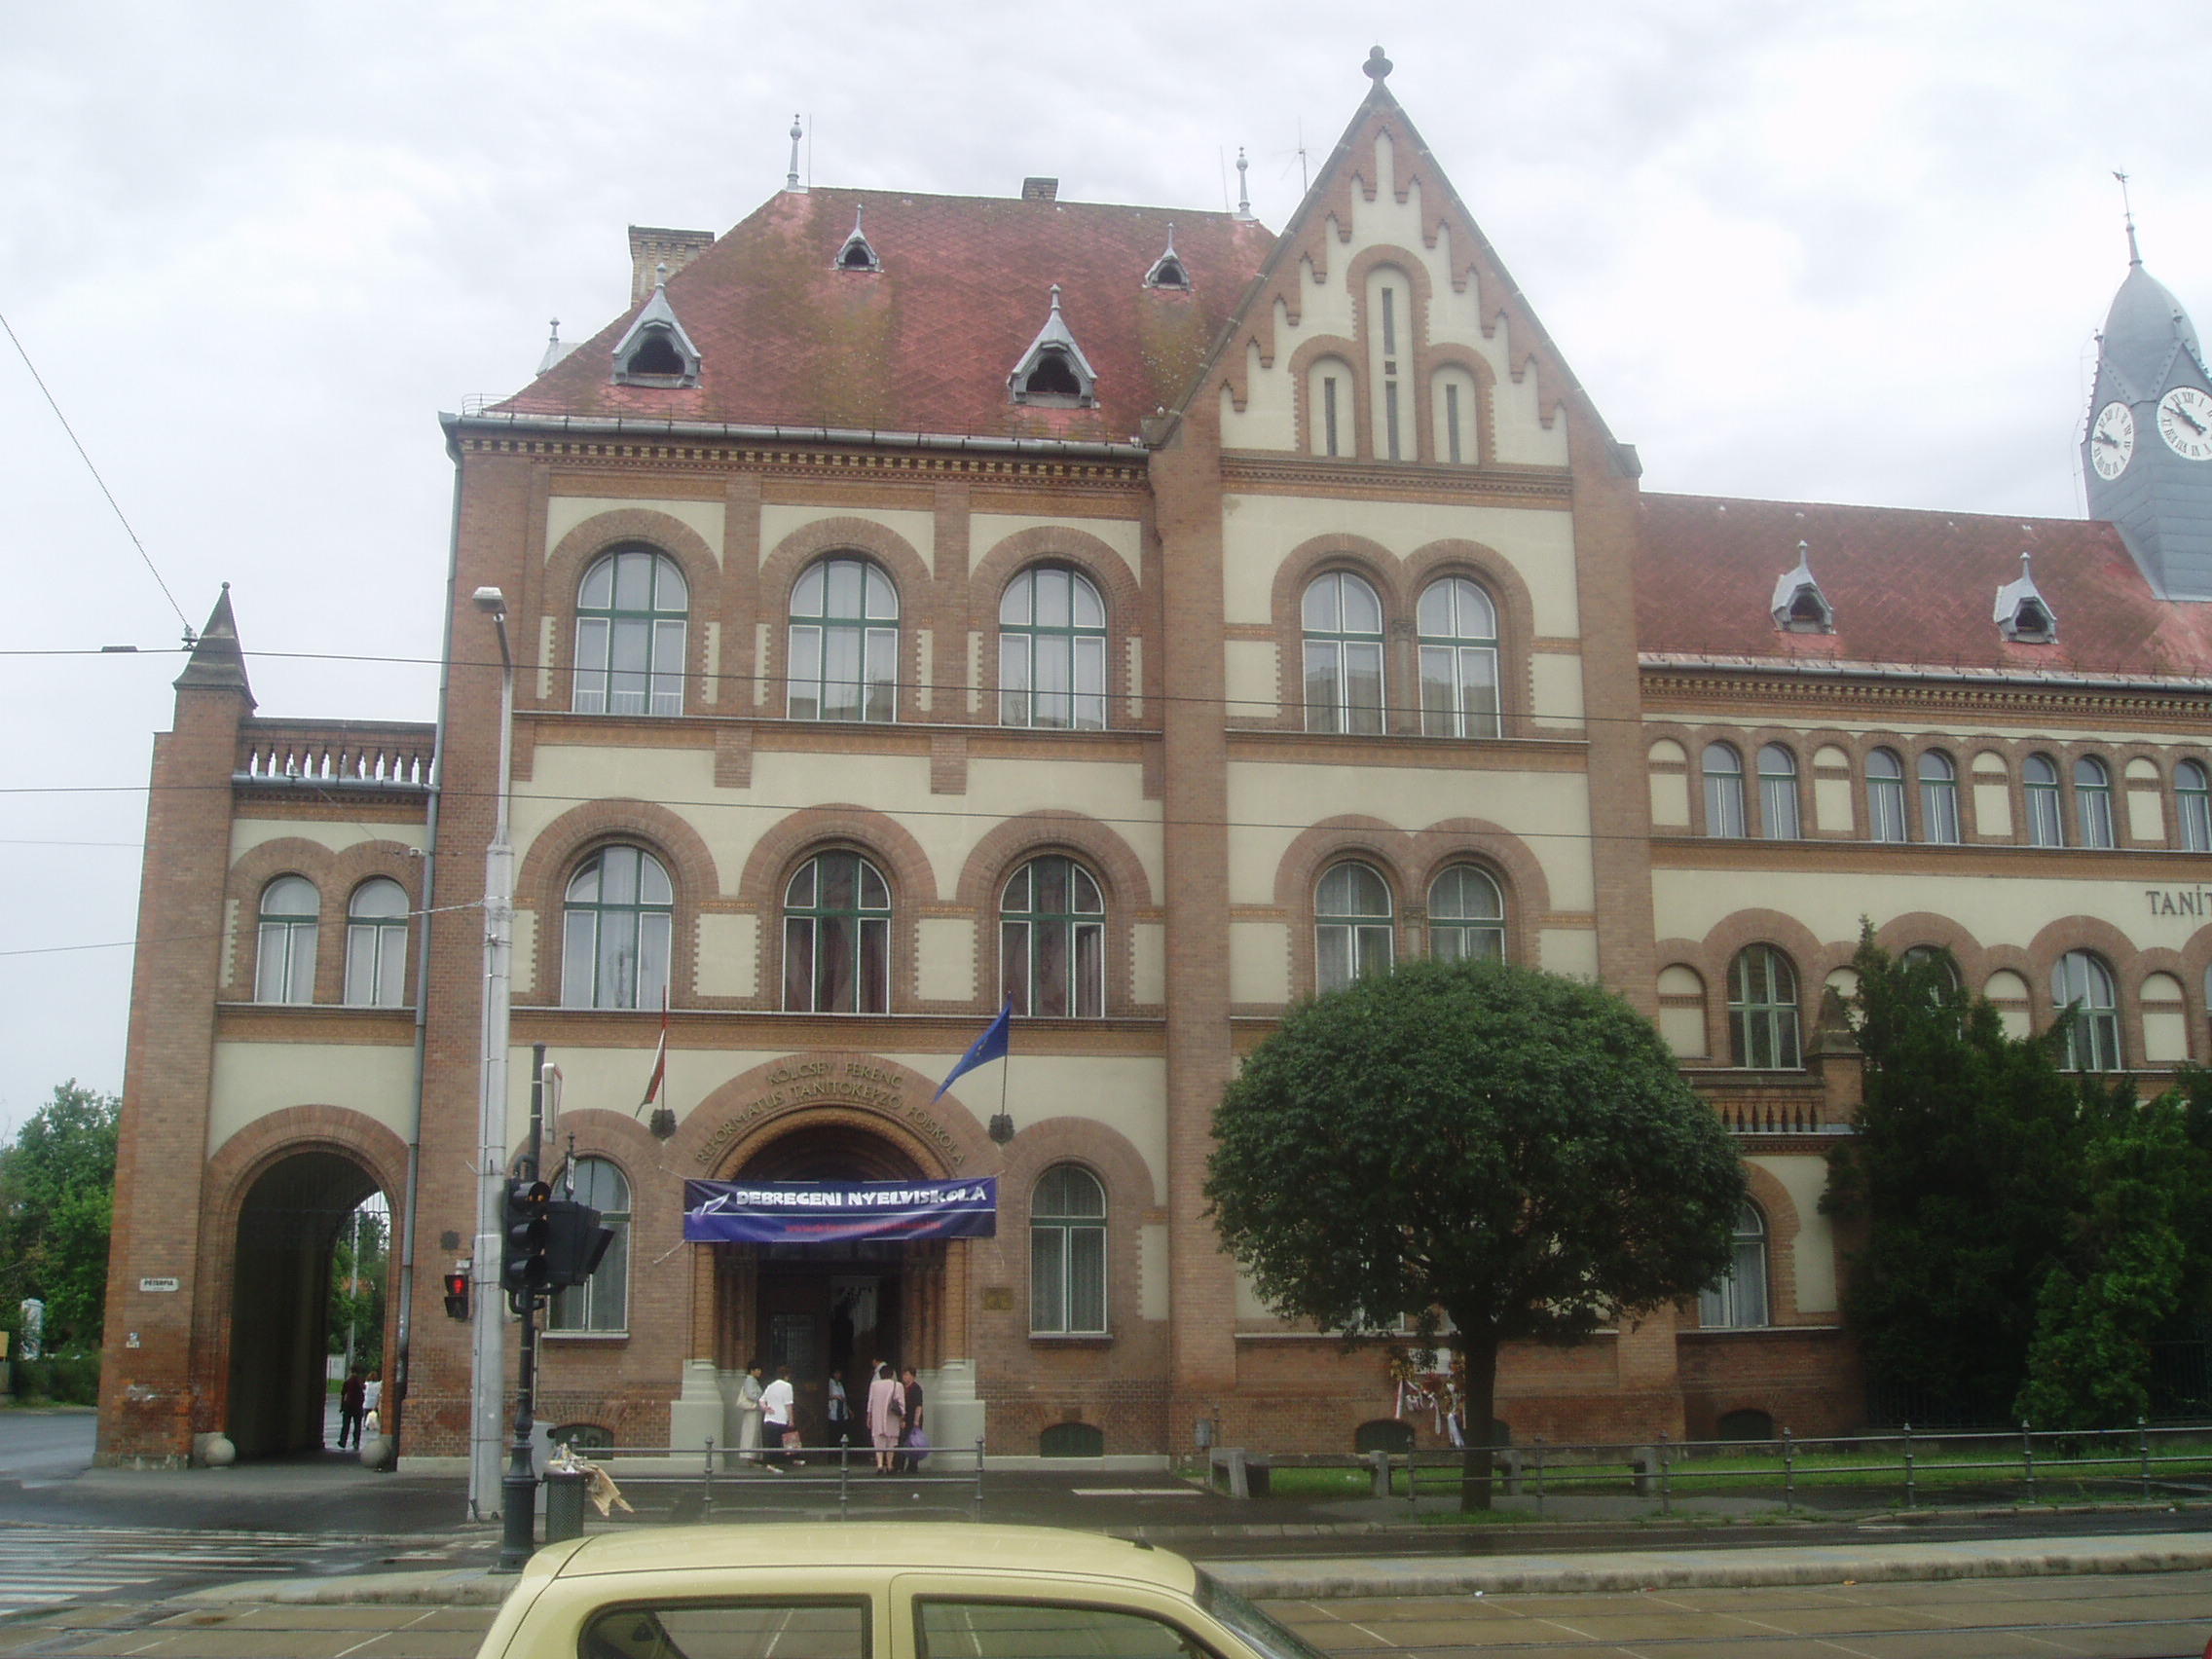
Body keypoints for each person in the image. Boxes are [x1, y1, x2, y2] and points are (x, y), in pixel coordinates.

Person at [866, 1361, 903, 1474]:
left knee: (878, 1440)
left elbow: (870, 1402)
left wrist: (869, 1418)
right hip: (892, 1417)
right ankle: (890, 1465)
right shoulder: (898, 1386)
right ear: (892, 1374)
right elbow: (901, 1405)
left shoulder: (874, 1385)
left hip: (877, 1416)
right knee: (891, 1441)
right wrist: (902, 1419)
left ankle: (880, 1464)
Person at [759, 1365, 796, 1470]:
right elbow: (788, 1405)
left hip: (769, 1418)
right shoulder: (787, 1386)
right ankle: (778, 1463)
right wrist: (791, 1420)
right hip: (781, 1418)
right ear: (786, 1376)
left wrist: (766, 1408)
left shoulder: (770, 1386)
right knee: (781, 1442)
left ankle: (770, 1463)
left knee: (771, 1442)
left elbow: (761, 1400)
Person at [898, 1366, 926, 1472]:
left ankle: (912, 1466)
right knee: (903, 1441)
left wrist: (916, 1420)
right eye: (904, 1375)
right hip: (905, 1418)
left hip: (913, 1419)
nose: (904, 1377)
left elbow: (919, 1405)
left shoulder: (916, 1389)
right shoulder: (902, 1388)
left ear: (913, 1376)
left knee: (914, 1442)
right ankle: (900, 1465)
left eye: (907, 1375)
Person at [735, 1363, 765, 1461]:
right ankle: (749, 1458)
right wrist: (762, 1399)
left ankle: (753, 1457)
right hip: (752, 1410)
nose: (760, 1372)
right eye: (757, 1369)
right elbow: (750, 1395)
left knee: (754, 1433)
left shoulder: (753, 1381)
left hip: (755, 1410)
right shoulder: (750, 1380)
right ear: (752, 1371)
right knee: (751, 1433)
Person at [338, 1368, 367, 1450]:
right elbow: (363, 1389)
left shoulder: (348, 1381)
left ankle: (343, 1441)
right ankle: (356, 1442)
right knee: (357, 1426)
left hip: (348, 1405)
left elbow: (343, 1394)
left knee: (345, 1425)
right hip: (357, 1406)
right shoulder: (360, 1381)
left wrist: (342, 1406)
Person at [826, 1367, 852, 1451]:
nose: (838, 1375)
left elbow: (844, 1399)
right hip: (833, 1411)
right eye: (836, 1373)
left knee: (842, 1432)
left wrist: (849, 1410)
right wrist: (836, 1396)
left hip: (842, 1411)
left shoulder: (840, 1384)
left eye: (839, 1373)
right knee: (834, 1432)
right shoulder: (830, 1382)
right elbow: (825, 1395)